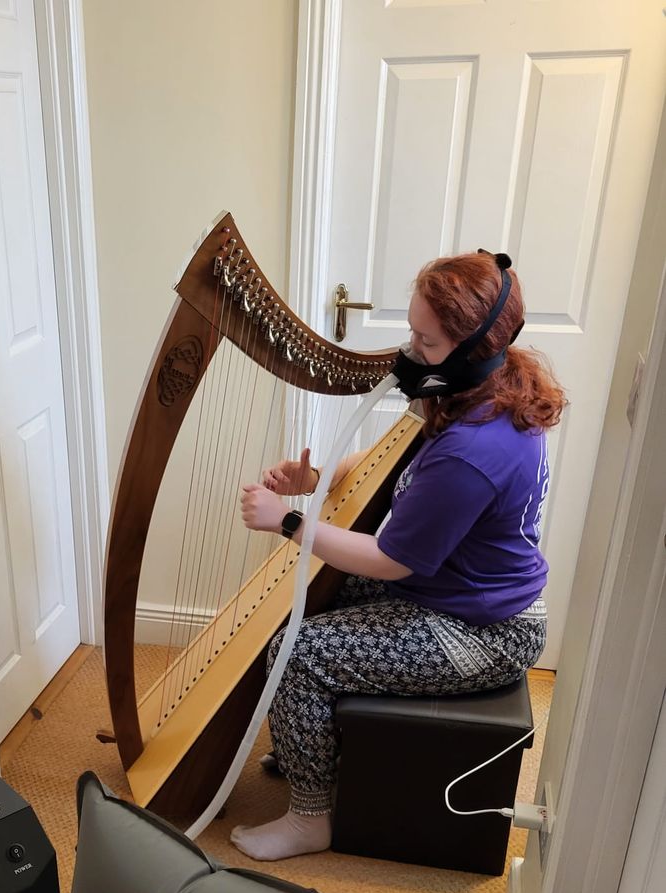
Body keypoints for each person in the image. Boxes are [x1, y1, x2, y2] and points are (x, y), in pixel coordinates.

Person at [230, 250, 564, 861]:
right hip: (454, 588)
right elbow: (398, 461)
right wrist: (319, 479)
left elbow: (390, 560)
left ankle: (310, 819)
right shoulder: (482, 387)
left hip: (481, 629)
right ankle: (318, 741)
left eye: (425, 341)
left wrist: (289, 522)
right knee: (304, 600)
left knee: (296, 651)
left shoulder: (473, 451)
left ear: (471, 348)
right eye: (411, 331)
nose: (409, 351)